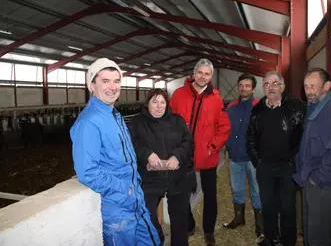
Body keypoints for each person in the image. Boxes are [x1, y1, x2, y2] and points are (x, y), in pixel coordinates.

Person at [70, 58, 160, 246]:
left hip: (135, 201)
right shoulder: (89, 122)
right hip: (118, 209)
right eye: (105, 81)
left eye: (116, 81)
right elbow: (88, 172)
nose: (112, 87)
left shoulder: (114, 115)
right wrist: (125, 190)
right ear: (92, 85)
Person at [170, 58, 231, 246]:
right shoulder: (179, 94)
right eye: (200, 72)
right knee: (181, 192)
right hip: (183, 154)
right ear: (193, 73)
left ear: (210, 76)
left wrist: (212, 147)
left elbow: (224, 127)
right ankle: (189, 225)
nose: (203, 77)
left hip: (207, 155)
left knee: (210, 195)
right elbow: (170, 121)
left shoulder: (216, 97)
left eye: (207, 74)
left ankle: (208, 231)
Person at [293, 67, 331, 246]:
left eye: (313, 86)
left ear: (326, 86)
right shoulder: (314, 108)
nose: (308, 91)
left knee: (320, 237)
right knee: (311, 233)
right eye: (306, 86)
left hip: (324, 185)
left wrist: (316, 179)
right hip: (312, 181)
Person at [129, 88, 196, 246]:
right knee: (148, 215)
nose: (158, 106)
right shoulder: (137, 122)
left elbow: (189, 142)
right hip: (150, 178)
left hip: (178, 177)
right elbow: (131, 144)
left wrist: (177, 156)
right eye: (154, 102)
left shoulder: (177, 120)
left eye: (162, 102)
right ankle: (158, 240)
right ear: (147, 103)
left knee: (179, 220)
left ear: (167, 104)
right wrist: (147, 154)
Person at [246, 71, 305, 246]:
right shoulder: (257, 111)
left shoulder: (296, 107)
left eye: (275, 83)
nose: (270, 88)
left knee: (287, 207)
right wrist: (259, 162)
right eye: (266, 84)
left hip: (287, 166)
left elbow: (303, 136)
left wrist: (294, 160)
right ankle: (271, 239)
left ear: (283, 86)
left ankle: (288, 242)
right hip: (265, 167)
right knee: (269, 207)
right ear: (262, 88)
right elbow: (250, 139)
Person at [223, 73, 264, 241]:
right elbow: (225, 128)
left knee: (257, 191)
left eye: (247, 85)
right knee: (237, 190)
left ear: (253, 88)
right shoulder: (231, 107)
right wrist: (227, 146)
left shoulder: (260, 107)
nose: (243, 88)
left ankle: (260, 226)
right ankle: (239, 218)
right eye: (241, 85)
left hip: (253, 159)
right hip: (235, 157)